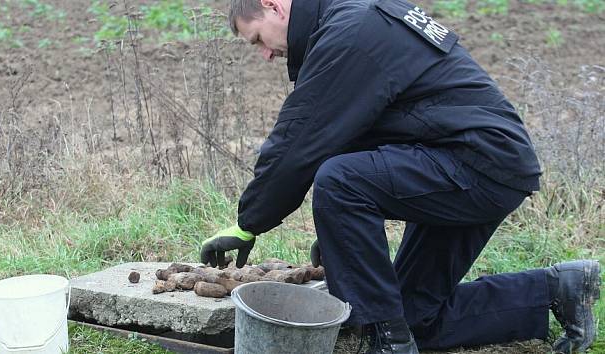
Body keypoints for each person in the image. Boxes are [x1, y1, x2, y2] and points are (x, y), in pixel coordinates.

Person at [199, 0, 601, 352]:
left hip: (477, 164)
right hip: (471, 162)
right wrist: (344, 237)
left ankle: (388, 345)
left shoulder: (352, 30)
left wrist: (247, 223)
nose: (266, 55)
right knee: (411, 316)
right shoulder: (354, 18)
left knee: (337, 180)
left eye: (257, 41)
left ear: (273, 6)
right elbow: (356, 129)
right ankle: (554, 289)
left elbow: (300, 140)